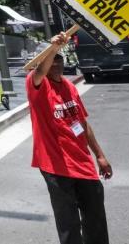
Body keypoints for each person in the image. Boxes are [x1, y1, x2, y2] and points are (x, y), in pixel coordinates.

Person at [29, 34, 112, 244]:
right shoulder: (36, 85)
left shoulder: (69, 87)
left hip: (82, 162)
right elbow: (39, 72)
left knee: (95, 218)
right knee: (69, 223)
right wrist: (53, 48)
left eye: (59, 59)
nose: (56, 64)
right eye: (51, 59)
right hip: (55, 166)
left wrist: (100, 155)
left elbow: (83, 124)